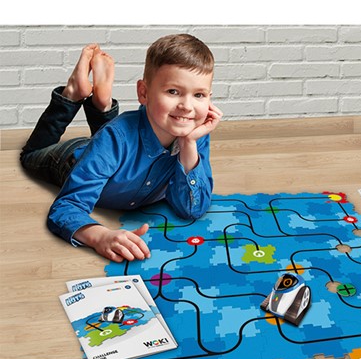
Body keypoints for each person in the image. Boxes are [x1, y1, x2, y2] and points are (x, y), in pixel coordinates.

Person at [20, 34, 223, 263]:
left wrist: (188, 144)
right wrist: (100, 236)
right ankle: (73, 94)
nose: (187, 106)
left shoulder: (194, 134)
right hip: (71, 160)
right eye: (173, 92)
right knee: (31, 155)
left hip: (113, 151)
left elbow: (193, 208)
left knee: (119, 141)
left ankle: (101, 104)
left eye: (199, 95)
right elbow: (66, 207)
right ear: (143, 93)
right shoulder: (114, 138)